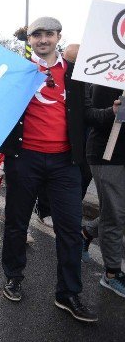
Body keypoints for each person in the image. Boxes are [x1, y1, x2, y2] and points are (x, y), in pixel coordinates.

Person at [0, 17, 97, 322]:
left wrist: (112, 112)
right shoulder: (17, 71)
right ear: (29, 39)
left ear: (58, 37)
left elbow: (85, 113)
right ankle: (14, 275)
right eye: (37, 35)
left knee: (70, 229)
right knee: (16, 223)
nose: (43, 39)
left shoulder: (73, 74)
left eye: (49, 34)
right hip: (24, 158)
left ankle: (68, 293)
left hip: (65, 163)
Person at [84, 82, 124, 297]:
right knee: (115, 215)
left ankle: (86, 232)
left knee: (117, 212)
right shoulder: (108, 78)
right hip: (108, 156)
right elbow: (91, 116)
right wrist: (115, 111)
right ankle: (111, 274)